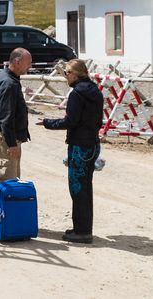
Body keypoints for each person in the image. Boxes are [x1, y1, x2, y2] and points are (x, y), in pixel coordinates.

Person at [37, 58, 104, 244]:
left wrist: (48, 123)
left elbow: (70, 121)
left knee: (77, 189)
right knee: (85, 188)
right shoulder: (95, 91)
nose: (65, 76)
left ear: (74, 74)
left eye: (66, 73)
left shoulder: (77, 93)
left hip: (80, 147)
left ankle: (82, 231)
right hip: (92, 143)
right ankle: (82, 227)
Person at [0, 47, 32, 225]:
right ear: (17, 61)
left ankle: (0, 218)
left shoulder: (7, 78)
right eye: (28, 63)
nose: (30, 66)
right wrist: (12, 143)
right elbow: (5, 117)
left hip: (4, 137)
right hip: (4, 138)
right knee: (5, 179)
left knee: (9, 178)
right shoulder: (8, 83)